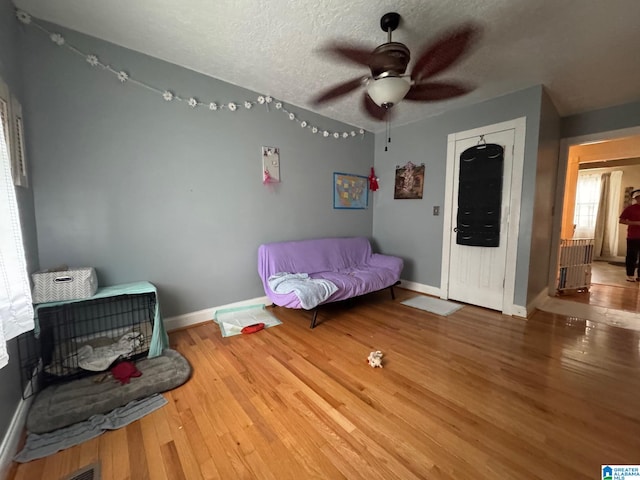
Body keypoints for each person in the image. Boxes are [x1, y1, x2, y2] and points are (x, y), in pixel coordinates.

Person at [619, 190, 640, 281]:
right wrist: (635, 223)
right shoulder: (630, 208)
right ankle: (630, 275)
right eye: (638, 198)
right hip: (633, 236)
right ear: (635, 199)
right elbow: (621, 220)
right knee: (632, 256)